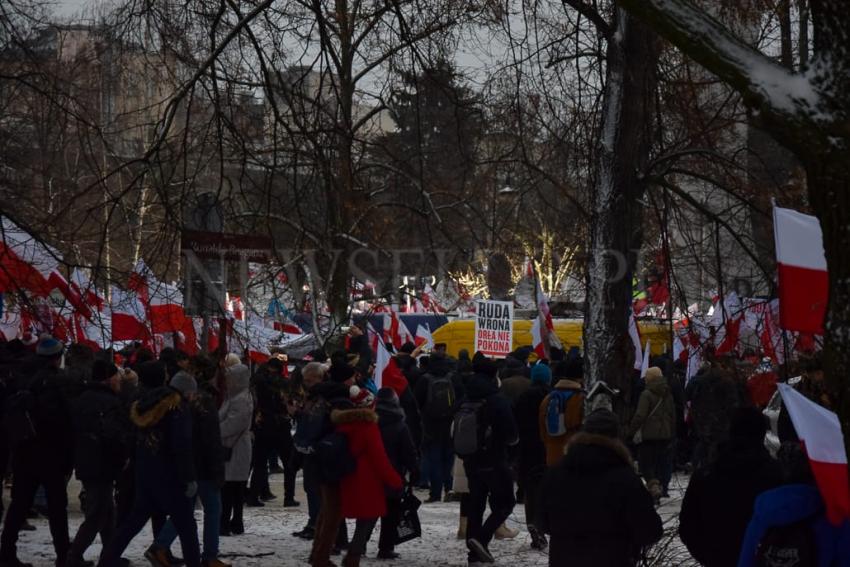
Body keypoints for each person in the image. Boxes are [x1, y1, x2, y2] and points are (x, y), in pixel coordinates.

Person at [97, 361, 200, 567]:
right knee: (187, 527)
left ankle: (106, 561)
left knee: (131, 524)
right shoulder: (176, 407)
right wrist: (188, 478)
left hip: (145, 473)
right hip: (170, 477)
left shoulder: (143, 404)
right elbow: (182, 446)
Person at [537, 409, 663, 566]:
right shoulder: (625, 478)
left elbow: (542, 521)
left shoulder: (555, 473)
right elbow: (649, 531)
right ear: (617, 438)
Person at [0, 336, 75, 567]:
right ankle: (63, 556)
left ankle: (7, 553)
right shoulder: (57, 381)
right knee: (56, 509)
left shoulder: (19, 378)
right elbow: (65, 422)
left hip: (24, 451)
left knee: (19, 505)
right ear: (57, 357)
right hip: (51, 453)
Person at [679, 407, 783, 567]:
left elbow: (688, 526)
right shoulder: (777, 475)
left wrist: (708, 556)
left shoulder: (706, 475)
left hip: (719, 557)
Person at [149, 369, 228, 567]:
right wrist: (218, 468)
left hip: (186, 466)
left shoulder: (174, 403)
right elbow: (211, 439)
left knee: (183, 511)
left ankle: (159, 546)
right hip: (204, 467)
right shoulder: (205, 402)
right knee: (212, 510)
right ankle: (209, 556)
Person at [66, 360, 131, 567]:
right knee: (97, 514)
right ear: (107, 378)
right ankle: (74, 556)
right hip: (102, 463)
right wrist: (123, 457)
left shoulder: (83, 397)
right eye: (115, 376)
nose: (119, 379)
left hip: (89, 461)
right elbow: (113, 435)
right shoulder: (108, 401)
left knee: (107, 511)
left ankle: (109, 555)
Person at [461, 354, 518, 565]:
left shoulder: (466, 397)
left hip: (470, 460)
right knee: (506, 503)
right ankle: (481, 540)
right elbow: (512, 434)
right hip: (494, 459)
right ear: (494, 376)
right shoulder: (497, 400)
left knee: (476, 504)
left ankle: (474, 554)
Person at [337, 387, 404, 567]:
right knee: (365, 520)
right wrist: (395, 480)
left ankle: (348, 556)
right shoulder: (368, 427)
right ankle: (353, 559)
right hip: (368, 480)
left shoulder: (342, 425)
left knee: (352, 520)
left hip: (347, 477)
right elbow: (379, 458)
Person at [513, 362, 551, 549]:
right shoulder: (550, 397)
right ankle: (543, 524)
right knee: (546, 488)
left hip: (526, 448)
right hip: (546, 448)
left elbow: (515, 421)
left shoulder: (523, 397)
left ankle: (533, 525)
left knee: (530, 490)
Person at [414, 351, 461, 504]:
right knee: (448, 459)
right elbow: (460, 397)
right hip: (450, 423)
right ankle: (449, 489)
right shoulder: (453, 377)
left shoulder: (425, 379)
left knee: (434, 458)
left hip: (430, 424)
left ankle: (435, 493)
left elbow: (417, 400)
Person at [628, 366, 676, 503]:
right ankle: (662, 486)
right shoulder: (668, 393)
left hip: (648, 435)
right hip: (665, 434)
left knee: (646, 464)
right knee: (661, 463)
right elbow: (672, 415)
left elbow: (640, 415)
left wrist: (631, 431)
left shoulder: (646, 394)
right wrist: (671, 432)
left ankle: (654, 487)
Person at [218, 364, 254, 537]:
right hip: (234, 446)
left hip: (235, 447)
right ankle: (234, 522)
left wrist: (214, 431)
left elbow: (233, 424)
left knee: (231, 487)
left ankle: (226, 522)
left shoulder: (240, 398)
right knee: (234, 487)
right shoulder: (235, 396)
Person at [538, 359, 584, 466]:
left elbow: (543, 434)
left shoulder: (548, 399)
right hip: (574, 460)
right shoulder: (580, 399)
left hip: (552, 458)